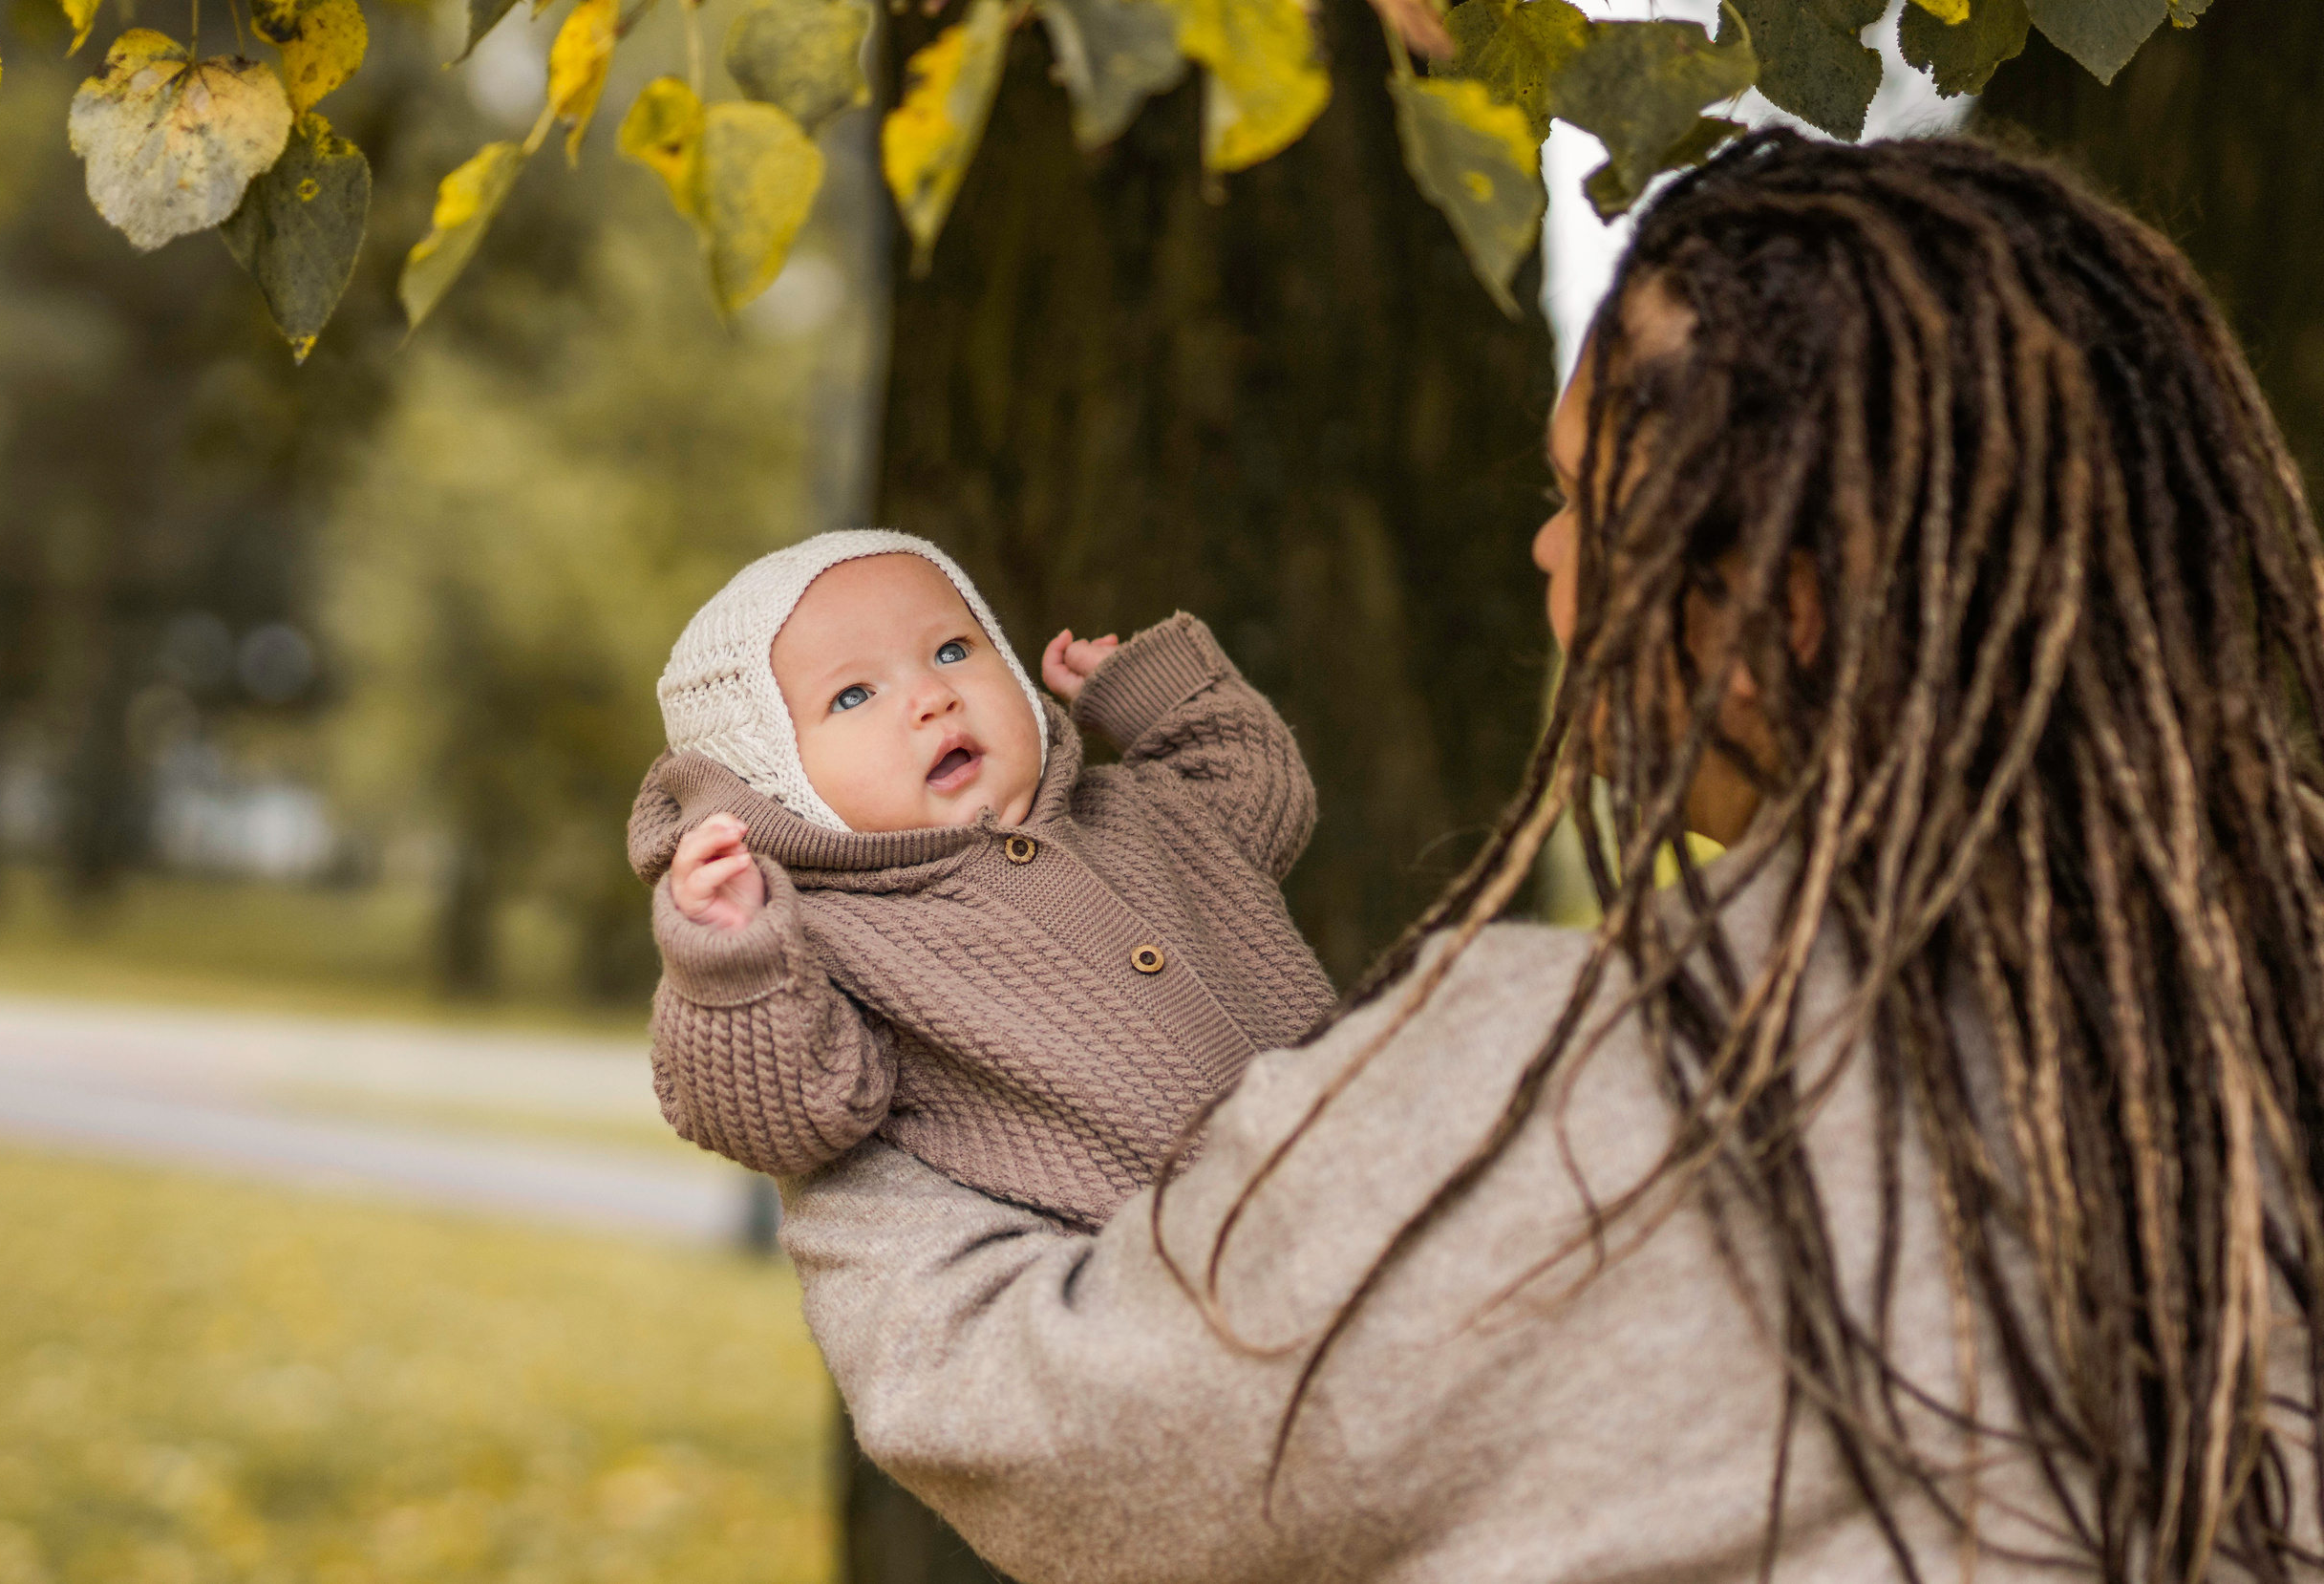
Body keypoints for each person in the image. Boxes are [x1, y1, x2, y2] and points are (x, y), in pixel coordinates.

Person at [775, 132, 2324, 1584]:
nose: (1543, 553)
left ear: (1785, 593)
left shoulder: (1548, 1103)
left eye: (1585, 499)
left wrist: (831, 1068)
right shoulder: (2268, 953)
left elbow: (1048, 1420)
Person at [627, 529, 1334, 1231]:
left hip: (1363, 1165)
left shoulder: (1131, 811)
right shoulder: (829, 943)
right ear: (768, 781)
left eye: (953, 651)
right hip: (1172, 1274)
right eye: (853, 695)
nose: (934, 696)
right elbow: (789, 1113)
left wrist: (1155, 694)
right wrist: (733, 961)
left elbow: (1257, 789)